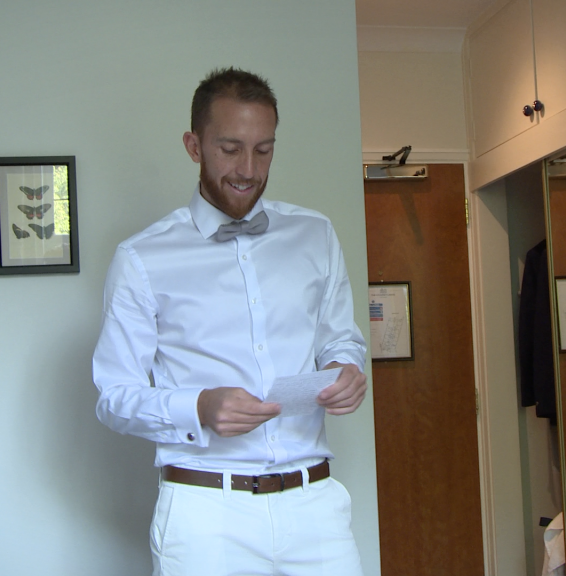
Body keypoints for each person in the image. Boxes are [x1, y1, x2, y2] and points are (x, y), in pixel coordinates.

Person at [92, 67, 369, 576]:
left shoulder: (316, 234)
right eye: (230, 148)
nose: (248, 168)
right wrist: (197, 406)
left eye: (264, 149)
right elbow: (114, 397)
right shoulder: (142, 257)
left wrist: (346, 370)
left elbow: (342, 339)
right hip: (205, 515)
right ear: (193, 145)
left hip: (315, 506)